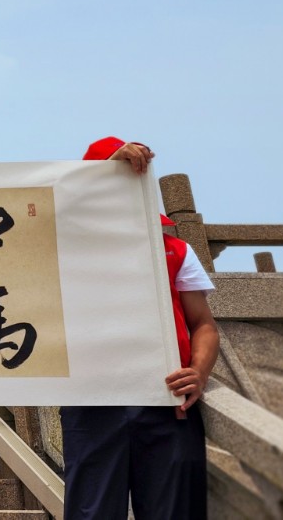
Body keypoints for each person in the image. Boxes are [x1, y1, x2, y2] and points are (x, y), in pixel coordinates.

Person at [60, 136, 220, 520]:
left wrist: (198, 373)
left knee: (174, 512)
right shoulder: (65, 250)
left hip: (166, 399)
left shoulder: (174, 251)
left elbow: (203, 324)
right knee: (92, 512)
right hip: (93, 401)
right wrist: (102, 171)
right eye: (108, 183)